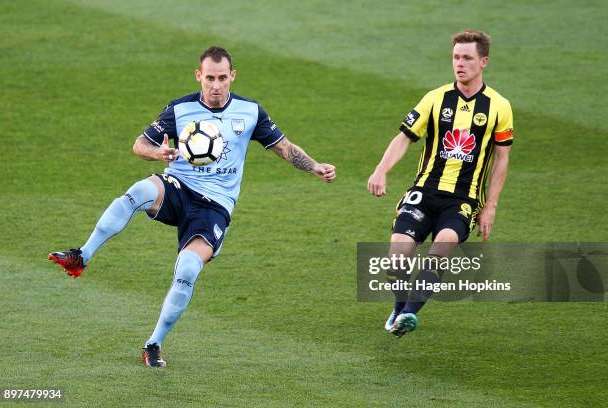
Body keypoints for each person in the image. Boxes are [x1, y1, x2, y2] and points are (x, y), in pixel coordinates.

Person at [48, 46, 336, 367]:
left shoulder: (250, 111)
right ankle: (82, 256)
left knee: (187, 270)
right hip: (179, 188)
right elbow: (140, 145)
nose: (216, 85)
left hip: (214, 208)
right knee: (138, 190)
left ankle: (153, 344)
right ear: (199, 76)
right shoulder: (180, 109)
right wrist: (160, 155)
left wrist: (314, 166)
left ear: (232, 77)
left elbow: (283, 147)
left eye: (222, 78)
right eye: (209, 78)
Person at [367, 30, 513, 337]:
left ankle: (407, 315)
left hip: (462, 200)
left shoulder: (499, 106)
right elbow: (404, 137)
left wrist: (490, 207)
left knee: (442, 246)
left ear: (483, 62)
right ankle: (400, 305)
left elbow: (502, 159)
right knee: (397, 254)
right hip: (424, 191)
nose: (460, 64)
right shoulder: (436, 98)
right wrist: (381, 169)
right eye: (456, 57)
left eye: (467, 58)